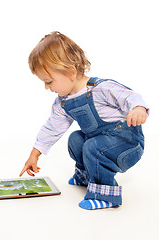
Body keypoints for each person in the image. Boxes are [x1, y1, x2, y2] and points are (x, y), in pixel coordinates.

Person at [19, 31, 148, 210]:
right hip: (99, 143)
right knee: (76, 139)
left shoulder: (101, 88)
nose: (47, 87)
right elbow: (51, 128)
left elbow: (130, 96)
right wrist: (35, 154)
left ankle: (106, 195)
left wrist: (138, 109)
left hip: (127, 144)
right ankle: (87, 176)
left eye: (49, 81)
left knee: (93, 146)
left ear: (71, 72)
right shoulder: (63, 102)